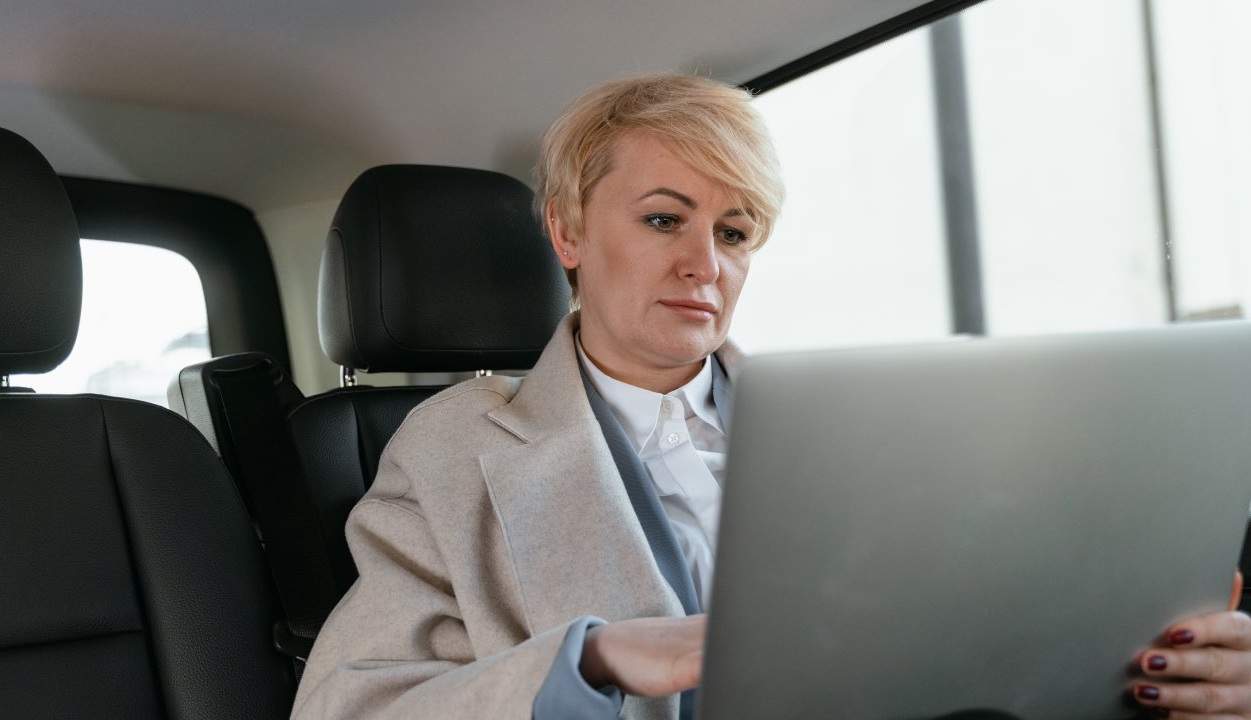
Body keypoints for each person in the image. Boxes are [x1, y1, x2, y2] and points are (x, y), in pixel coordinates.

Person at [291, 73, 1251, 720]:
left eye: (737, 232)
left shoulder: (862, 425)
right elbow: (348, 703)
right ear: (569, 230)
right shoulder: (452, 446)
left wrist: (1171, 668)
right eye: (665, 218)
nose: (704, 264)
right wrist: (594, 658)